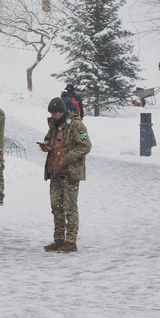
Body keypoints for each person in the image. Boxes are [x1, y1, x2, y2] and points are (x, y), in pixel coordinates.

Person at [39, 97, 91, 253]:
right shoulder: (54, 125)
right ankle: (59, 239)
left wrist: (66, 157)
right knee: (56, 207)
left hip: (69, 173)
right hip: (55, 172)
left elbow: (85, 145)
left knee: (69, 207)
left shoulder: (76, 124)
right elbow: (49, 139)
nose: (52, 116)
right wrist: (46, 145)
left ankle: (70, 241)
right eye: (51, 113)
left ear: (62, 112)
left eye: (55, 113)